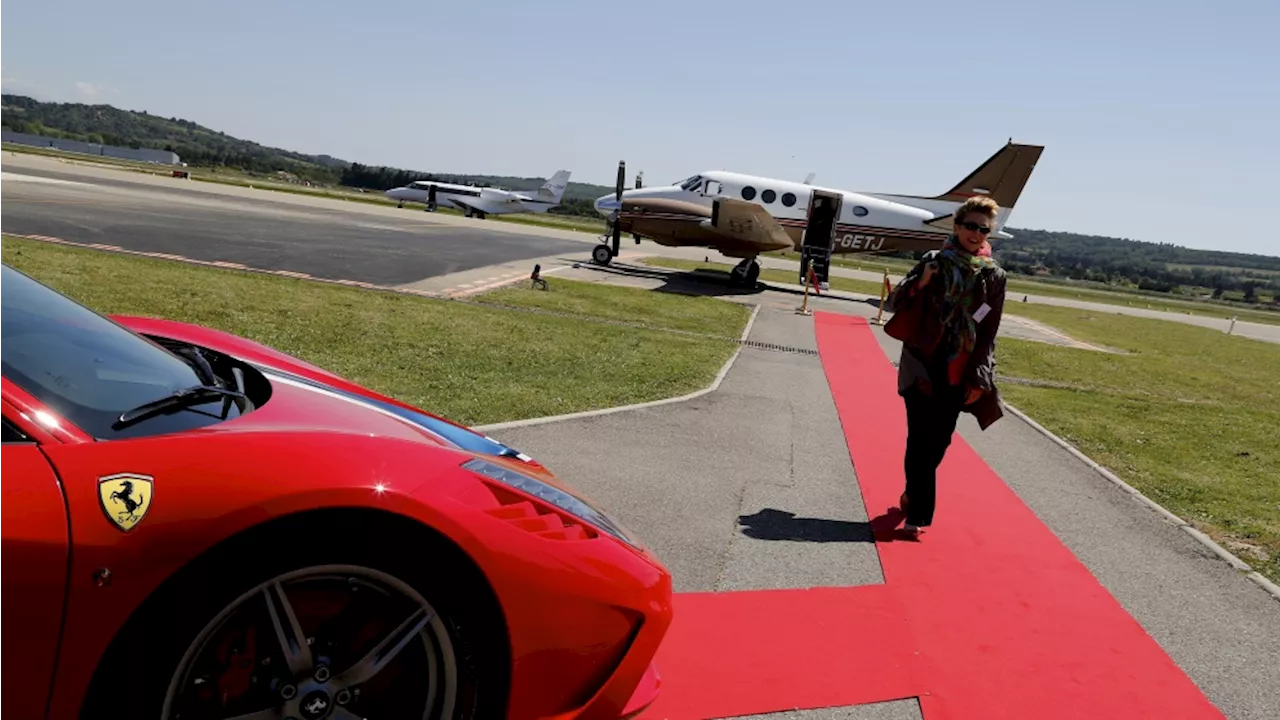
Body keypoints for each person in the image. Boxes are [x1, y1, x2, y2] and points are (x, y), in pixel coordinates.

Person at [884, 195, 1008, 536]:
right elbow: (894, 302)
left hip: (959, 368)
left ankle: (912, 492)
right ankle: (918, 516)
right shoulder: (934, 261)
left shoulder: (994, 276)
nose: (976, 233)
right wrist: (921, 282)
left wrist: (981, 378)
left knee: (938, 442)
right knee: (919, 438)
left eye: (983, 228)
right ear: (956, 226)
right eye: (970, 225)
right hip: (922, 362)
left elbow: (988, 332)